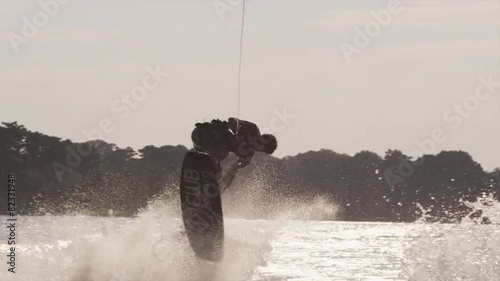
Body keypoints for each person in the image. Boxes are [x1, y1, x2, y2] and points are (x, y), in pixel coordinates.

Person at [190, 117, 277, 191]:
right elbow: (232, 120)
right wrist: (234, 134)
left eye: (263, 150)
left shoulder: (248, 155)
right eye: (263, 146)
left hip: (202, 147)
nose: (259, 148)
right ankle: (204, 167)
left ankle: (203, 184)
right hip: (203, 133)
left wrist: (221, 188)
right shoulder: (252, 129)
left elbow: (233, 172)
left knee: (218, 174)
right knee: (223, 152)